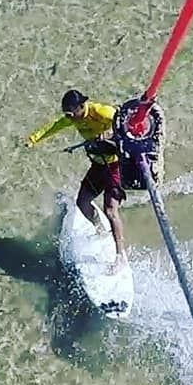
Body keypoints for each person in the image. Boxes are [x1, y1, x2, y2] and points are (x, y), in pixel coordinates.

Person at [25, 89, 128, 269]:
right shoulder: (73, 118)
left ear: (82, 106)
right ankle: (100, 230)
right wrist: (34, 139)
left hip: (114, 166)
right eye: (68, 114)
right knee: (82, 202)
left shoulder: (101, 112)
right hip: (98, 165)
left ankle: (119, 256)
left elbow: (124, 123)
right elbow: (54, 126)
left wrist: (110, 133)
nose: (71, 118)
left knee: (111, 211)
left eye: (72, 113)